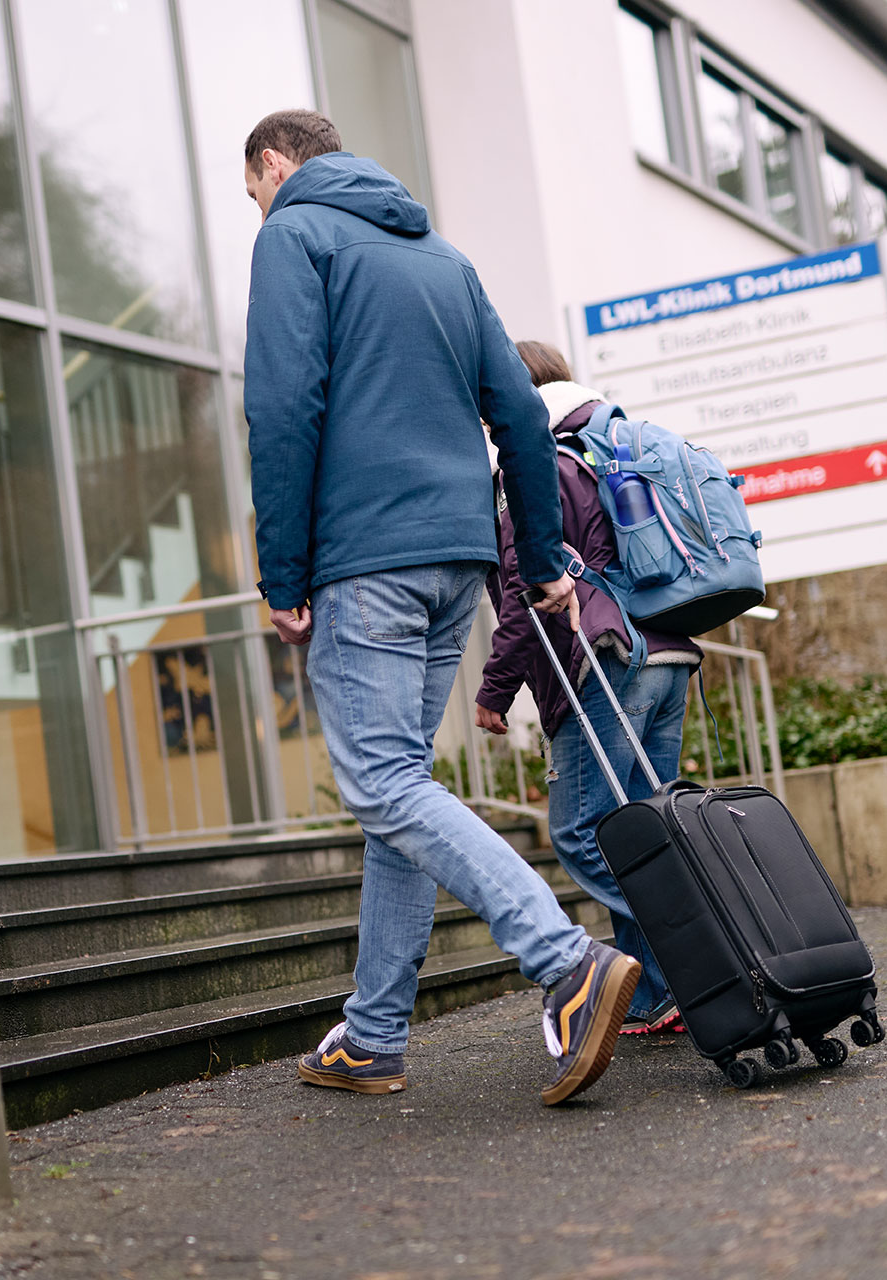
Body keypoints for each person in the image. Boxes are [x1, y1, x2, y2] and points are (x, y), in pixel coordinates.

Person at [241, 108, 639, 1106]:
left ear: (274, 165)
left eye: (253, 191)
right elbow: (522, 414)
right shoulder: (445, 259)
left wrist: (282, 574)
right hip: (457, 557)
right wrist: (538, 558)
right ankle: (372, 1035)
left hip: (365, 555)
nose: (257, 208)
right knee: (401, 790)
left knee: (381, 782)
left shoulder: (295, 234)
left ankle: (566, 960)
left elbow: (283, 406)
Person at [477, 340, 702, 1035]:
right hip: (665, 653)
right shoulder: (604, 445)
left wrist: (494, 690)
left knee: (582, 832)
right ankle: (663, 993)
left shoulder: (532, 462)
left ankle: (700, 939)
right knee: (644, 829)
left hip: (606, 660)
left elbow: (524, 590)